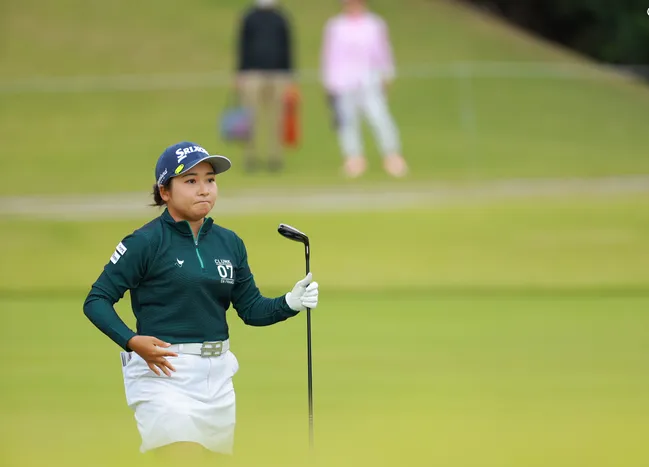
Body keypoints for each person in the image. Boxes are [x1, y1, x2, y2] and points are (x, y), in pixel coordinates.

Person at [83, 141, 319, 463]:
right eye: (191, 181)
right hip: (163, 373)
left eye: (210, 179)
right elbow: (97, 300)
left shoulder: (229, 243)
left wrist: (290, 302)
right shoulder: (145, 242)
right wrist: (132, 341)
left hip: (218, 378)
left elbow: (251, 309)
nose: (204, 189)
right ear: (165, 191)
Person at [321, 0, 408, 178]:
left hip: (370, 78)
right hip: (343, 81)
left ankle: (392, 156)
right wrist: (329, 82)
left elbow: (383, 51)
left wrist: (386, 74)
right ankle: (354, 159)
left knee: (379, 117)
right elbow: (330, 55)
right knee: (348, 121)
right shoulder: (335, 26)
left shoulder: (374, 24)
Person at [234, 0, 296, 173]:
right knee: (250, 117)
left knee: (277, 118)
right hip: (252, 74)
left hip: (278, 75)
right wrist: (240, 73)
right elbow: (242, 46)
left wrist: (289, 75)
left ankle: (275, 157)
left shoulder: (281, 18)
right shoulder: (249, 17)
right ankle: (250, 157)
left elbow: (287, 47)